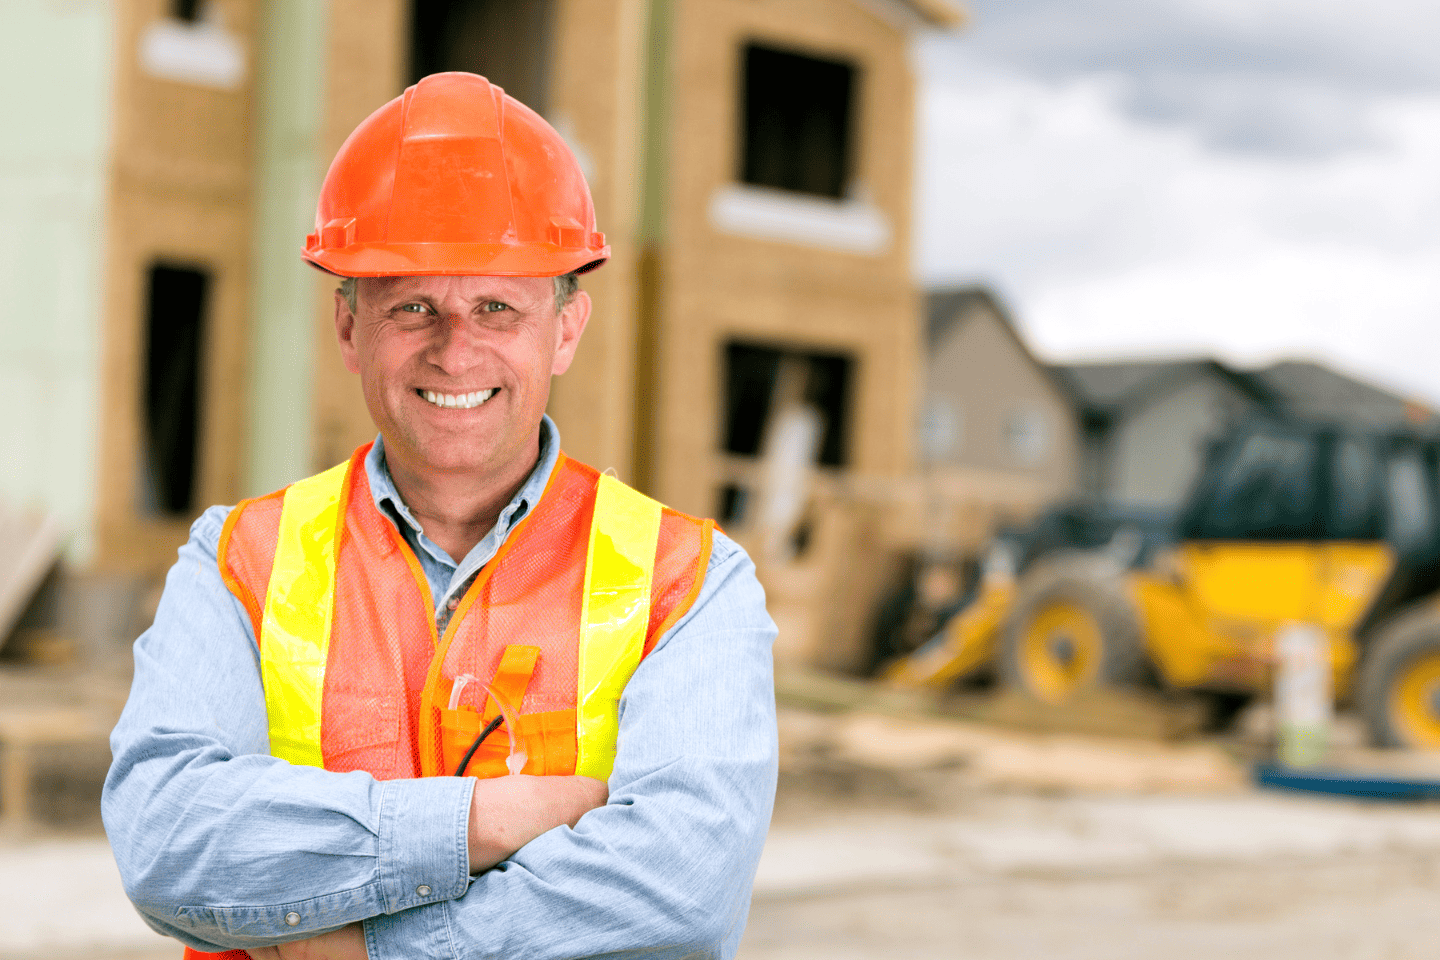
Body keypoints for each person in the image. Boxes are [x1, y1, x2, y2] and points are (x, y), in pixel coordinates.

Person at [103, 72, 778, 960]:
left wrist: (371, 948)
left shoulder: (688, 580)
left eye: (497, 306)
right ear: (350, 330)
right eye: (411, 306)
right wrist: (482, 821)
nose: (455, 348)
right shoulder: (239, 558)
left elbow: (681, 886)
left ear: (565, 331)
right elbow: (167, 845)